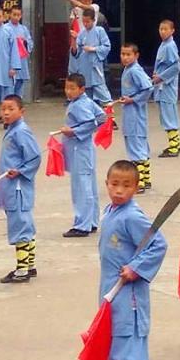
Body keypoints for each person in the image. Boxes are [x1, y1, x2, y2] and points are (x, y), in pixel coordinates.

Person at [98, 160, 168, 360]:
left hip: (130, 298)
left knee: (128, 353)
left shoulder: (133, 217)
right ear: (106, 184)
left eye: (126, 185)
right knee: (116, 351)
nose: (119, 190)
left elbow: (158, 244)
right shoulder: (109, 211)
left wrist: (136, 269)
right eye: (114, 184)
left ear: (136, 188)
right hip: (111, 292)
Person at [0, 95, 42, 283]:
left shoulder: (21, 131)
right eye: (3, 109)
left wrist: (21, 171)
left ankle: (22, 270)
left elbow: (35, 157)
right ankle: (30, 265)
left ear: (21, 111)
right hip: (13, 186)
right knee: (25, 224)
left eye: (11, 109)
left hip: (18, 188)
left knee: (20, 225)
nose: (6, 112)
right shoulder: (13, 130)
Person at [60, 73, 106, 238]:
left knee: (81, 188)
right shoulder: (86, 101)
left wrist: (73, 131)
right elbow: (101, 117)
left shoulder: (79, 105)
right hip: (85, 149)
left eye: (72, 88)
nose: (68, 91)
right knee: (89, 186)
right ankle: (91, 221)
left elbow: (90, 122)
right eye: (67, 87)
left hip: (79, 150)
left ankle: (82, 224)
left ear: (82, 89)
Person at [120, 43, 154, 192]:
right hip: (131, 112)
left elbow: (148, 88)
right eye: (123, 54)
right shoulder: (128, 70)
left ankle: (139, 182)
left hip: (134, 113)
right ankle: (145, 178)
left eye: (128, 54)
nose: (125, 58)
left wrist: (133, 100)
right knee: (140, 145)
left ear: (136, 55)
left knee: (136, 146)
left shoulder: (135, 71)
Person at [152, 19, 180, 158]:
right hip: (162, 85)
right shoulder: (165, 44)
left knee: (168, 115)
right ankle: (176, 142)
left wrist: (161, 77)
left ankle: (173, 146)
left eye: (165, 29)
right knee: (168, 113)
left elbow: (175, 67)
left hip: (166, 86)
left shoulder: (169, 46)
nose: (162, 32)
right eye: (160, 29)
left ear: (172, 31)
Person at [72, 8, 112, 106]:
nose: (85, 24)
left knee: (103, 95)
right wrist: (73, 39)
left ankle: (109, 116)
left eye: (88, 22)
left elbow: (107, 46)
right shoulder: (81, 33)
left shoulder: (100, 31)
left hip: (95, 67)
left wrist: (93, 49)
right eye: (84, 22)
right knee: (86, 97)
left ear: (94, 20)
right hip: (84, 67)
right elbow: (76, 52)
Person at [7, 5, 33, 97]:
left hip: (21, 60)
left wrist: (24, 42)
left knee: (19, 84)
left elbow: (30, 44)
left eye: (18, 15)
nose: (16, 17)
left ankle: (18, 103)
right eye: (14, 14)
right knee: (9, 86)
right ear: (10, 14)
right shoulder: (6, 28)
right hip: (9, 62)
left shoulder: (23, 29)